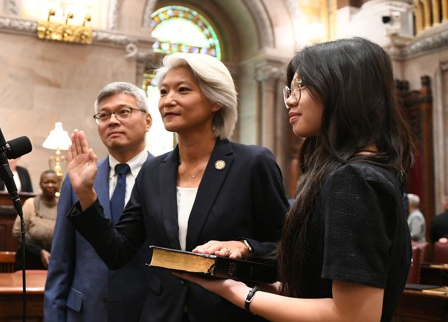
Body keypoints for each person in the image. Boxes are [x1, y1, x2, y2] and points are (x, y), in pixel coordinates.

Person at [179, 37, 416, 321]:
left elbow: (354, 316)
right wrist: (256, 281)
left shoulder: (355, 178)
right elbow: (317, 292)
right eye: (289, 89)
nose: (290, 99)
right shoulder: (351, 173)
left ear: (344, 89)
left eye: (301, 87)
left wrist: (237, 293)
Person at [65, 56, 290, 321]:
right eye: (163, 92)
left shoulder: (252, 163)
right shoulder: (153, 172)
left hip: (229, 313)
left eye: (183, 90)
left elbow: (285, 251)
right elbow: (117, 252)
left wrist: (245, 246)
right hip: (162, 314)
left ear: (216, 100)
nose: (168, 100)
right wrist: (85, 193)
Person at [45, 81, 155, 322]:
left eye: (124, 112)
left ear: (147, 121)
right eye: (103, 115)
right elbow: (61, 260)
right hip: (85, 311)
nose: (112, 121)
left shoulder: (165, 177)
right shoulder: (77, 180)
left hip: (146, 311)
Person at [12, 170, 60, 270]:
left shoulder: (62, 205)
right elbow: (17, 232)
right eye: (46, 182)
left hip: (54, 259)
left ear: (59, 184)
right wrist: (40, 251)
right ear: (40, 184)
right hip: (30, 259)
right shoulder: (30, 203)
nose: (50, 185)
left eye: (54, 182)